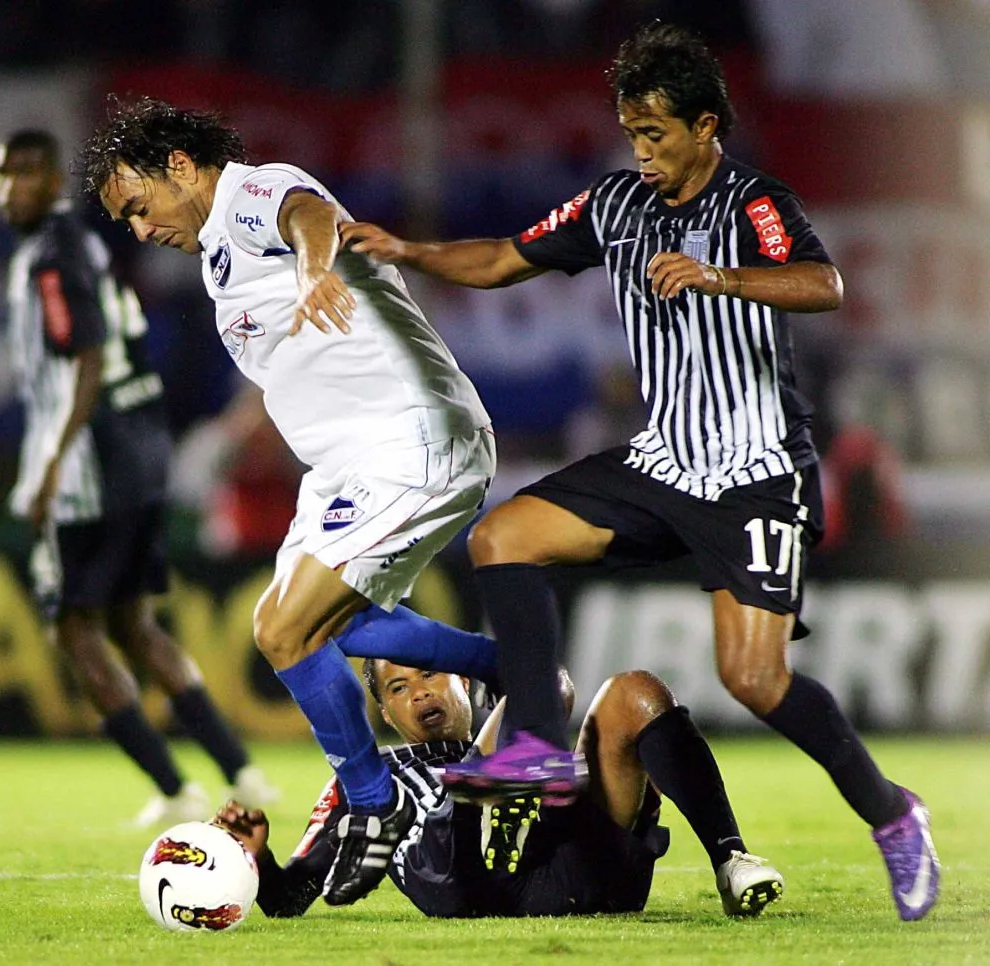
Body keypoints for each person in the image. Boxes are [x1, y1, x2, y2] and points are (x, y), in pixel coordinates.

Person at [339, 23, 940, 922]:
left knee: (755, 681)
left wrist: (715, 277)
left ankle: (894, 817)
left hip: (755, 468)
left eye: (656, 134)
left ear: (706, 126)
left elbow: (823, 284)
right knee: (505, 535)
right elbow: (505, 257)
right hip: (664, 459)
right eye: (632, 135)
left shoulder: (753, 203)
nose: (641, 152)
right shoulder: (615, 206)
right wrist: (409, 253)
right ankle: (537, 744)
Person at [80, 97, 499, 906]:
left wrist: (312, 267)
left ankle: (373, 805)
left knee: (282, 627)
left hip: (405, 440)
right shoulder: (214, 257)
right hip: (345, 465)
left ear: (177, 166)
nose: (138, 230)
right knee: (313, 627)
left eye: (137, 208)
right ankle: (509, 663)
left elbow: (310, 215)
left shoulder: (253, 194)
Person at [0, 129, 279, 828]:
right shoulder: (84, 247)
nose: (8, 190)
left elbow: (85, 358)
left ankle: (173, 783)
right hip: (137, 446)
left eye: (24, 174)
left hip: (93, 462)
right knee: (131, 623)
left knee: (72, 627)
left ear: (54, 179)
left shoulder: (50, 256)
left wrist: (51, 464)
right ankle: (240, 769)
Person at [215, 658, 784, 918]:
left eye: (428, 675)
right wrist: (258, 856)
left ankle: (731, 860)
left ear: (461, 679)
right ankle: (486, 800)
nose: (419, 694)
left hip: (575, 871)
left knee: (633, 691)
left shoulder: (512, 723)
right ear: (386, 713)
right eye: (398, 688)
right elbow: (288, 902)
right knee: (544, 691)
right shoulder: (365, 779)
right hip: (463, 878)